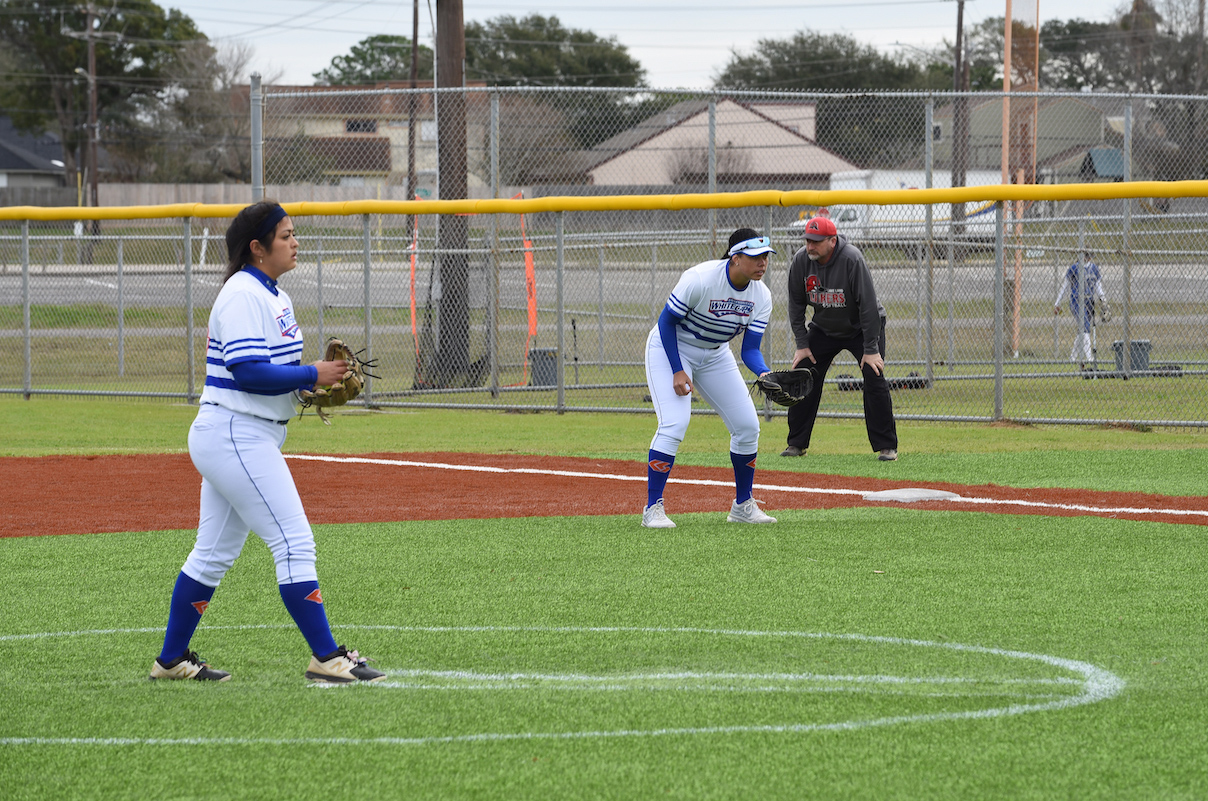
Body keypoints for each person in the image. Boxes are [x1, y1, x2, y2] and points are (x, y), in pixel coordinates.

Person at [150, 200, 385, 684]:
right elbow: (247, 372)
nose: (295, 242)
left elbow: (271, 375)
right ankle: (327, 657)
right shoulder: (241, 294)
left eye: (294, 233)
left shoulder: (274, 294)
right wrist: (311, 371)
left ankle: (171, 660)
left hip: (242, 433)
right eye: (285, 236)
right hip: (236, 431)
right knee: (294, 541)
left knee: (212, 554)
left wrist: (307, 386)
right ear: (257, 248)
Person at [642, 227, 779, 529]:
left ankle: (743, 505)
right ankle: (653, 508)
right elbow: (666, 322)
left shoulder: (762, 296)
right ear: (735, 257)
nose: (763, 263)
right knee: (675, 423)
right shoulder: (701, 278)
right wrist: (677, 369)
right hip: (672, 347)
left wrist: (765, 373)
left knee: (747, 426)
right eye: (755, 257)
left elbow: (750, 350)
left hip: (716, 354)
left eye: (766, 257)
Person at [781, 216, 898, 461]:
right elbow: (796, 305)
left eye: (816, 241)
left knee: (874, 376)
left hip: (862, 328)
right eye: (807, 240)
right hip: (824, 328)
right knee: (804, 373)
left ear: (832, 241)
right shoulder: (801, 261)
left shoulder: (851, 259)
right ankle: (796, 443)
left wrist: (871, 348)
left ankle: (886, 446)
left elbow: (867, 307)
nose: (810, 245)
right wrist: (802, 344)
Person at [1054, 252, 1108, 369]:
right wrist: (1057, 303)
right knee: (1085, 327)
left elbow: (1098, 285)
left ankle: (1072, 358)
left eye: (1089, 255)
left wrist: (1103, 299)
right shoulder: (1074, 268)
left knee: (1082, 332)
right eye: (1085, 255)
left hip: (1089, 302)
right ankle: (1089, 358)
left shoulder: (1094, 268)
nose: (1087, 258)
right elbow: (1065, 286)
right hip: (1076, 301)